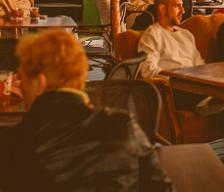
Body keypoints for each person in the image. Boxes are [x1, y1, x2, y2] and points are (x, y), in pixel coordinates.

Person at [0, 30, 170, 191]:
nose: (21, 85)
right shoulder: (123, 126)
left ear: (40, 83)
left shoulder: (17, 143)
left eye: (23, 78)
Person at [138, 0, 204, 78]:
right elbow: (148, 70)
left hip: (195, 85)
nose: (183, 11)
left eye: (182, 6)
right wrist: (180, 79)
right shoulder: (152, 35)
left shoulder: (186, 34)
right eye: (177, 6)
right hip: (173, 88)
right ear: (162, 9)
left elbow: (200, 65)